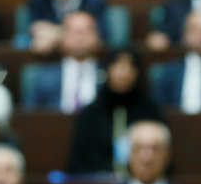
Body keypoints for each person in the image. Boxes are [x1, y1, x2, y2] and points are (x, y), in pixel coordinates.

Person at [67, 46, 164, 174]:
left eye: (130, 67)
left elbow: (163, 154)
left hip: (140, 180)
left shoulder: (149, 110)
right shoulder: (92, 112)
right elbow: (79, 161)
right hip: (98, 180)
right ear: (108, 69)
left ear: (137, 72)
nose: (123, 72)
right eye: (118, 65)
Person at [20, 12, 102, 113]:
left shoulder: (110, 75)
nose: (80, 37)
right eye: (74, 31)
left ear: (98, 37)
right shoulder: (45, 77)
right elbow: (29, 113)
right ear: (61, 38)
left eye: (86, 31)